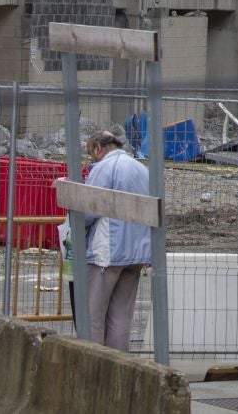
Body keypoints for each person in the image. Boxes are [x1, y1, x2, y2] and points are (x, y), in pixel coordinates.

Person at [84, 129, 152, 351]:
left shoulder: (104, 167)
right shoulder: (142, 169)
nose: (91, 159)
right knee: (121, 317)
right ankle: (120, 363)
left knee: (93, 316)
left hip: (108, 253)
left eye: (90, 153)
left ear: (98, 148)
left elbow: (88, 209)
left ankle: (92, 362)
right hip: (137, 254)